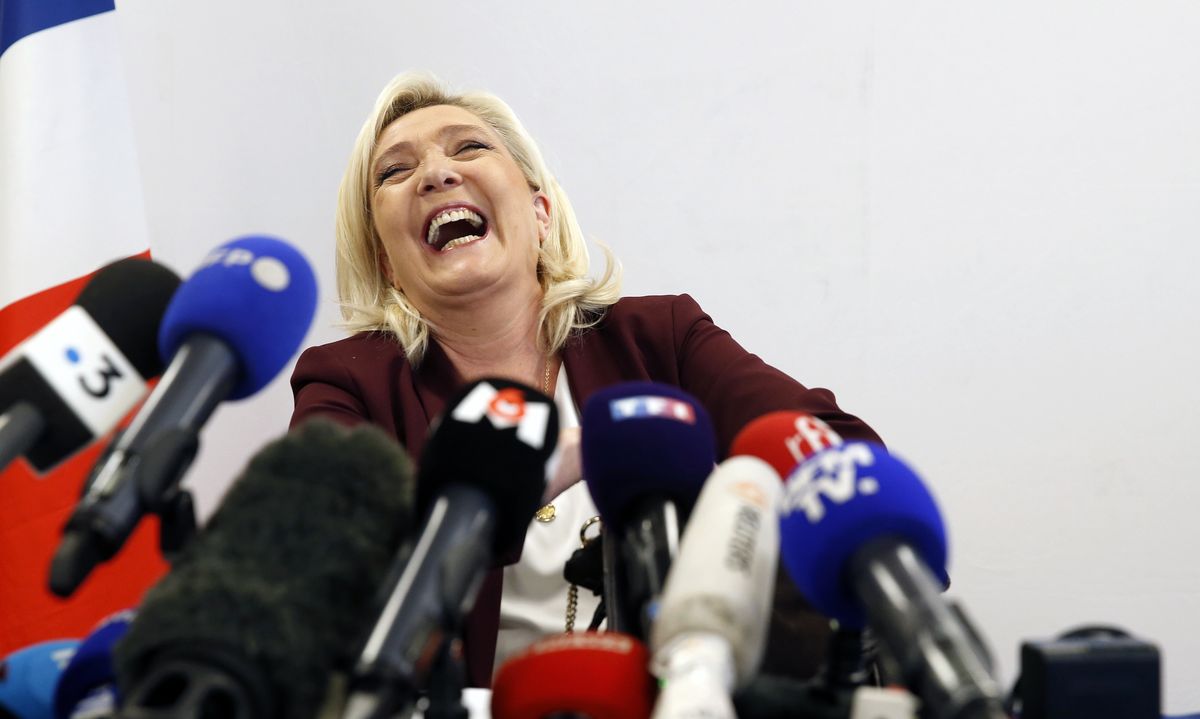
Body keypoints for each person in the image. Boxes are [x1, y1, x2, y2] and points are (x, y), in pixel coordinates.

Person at [289, 71, 882, 688]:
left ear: (540, 212)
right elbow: (318, 569)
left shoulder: (661, 338)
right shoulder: (348, 381)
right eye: (394, 171)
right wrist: (548, 466)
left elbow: (846, 465)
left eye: (468, 148)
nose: (437, 174)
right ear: (387, 262)